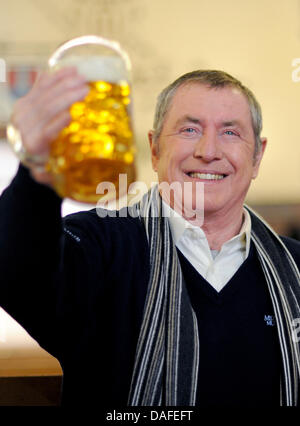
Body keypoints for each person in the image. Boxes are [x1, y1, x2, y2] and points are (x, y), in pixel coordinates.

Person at [0, 68, 300, 407]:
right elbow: (17, 271)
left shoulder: (296, 267)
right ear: (154, 149)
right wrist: (36, 167)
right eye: (190, 129)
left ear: (257, 156)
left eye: (230, 132)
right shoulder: (100, 246)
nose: (209, 150)